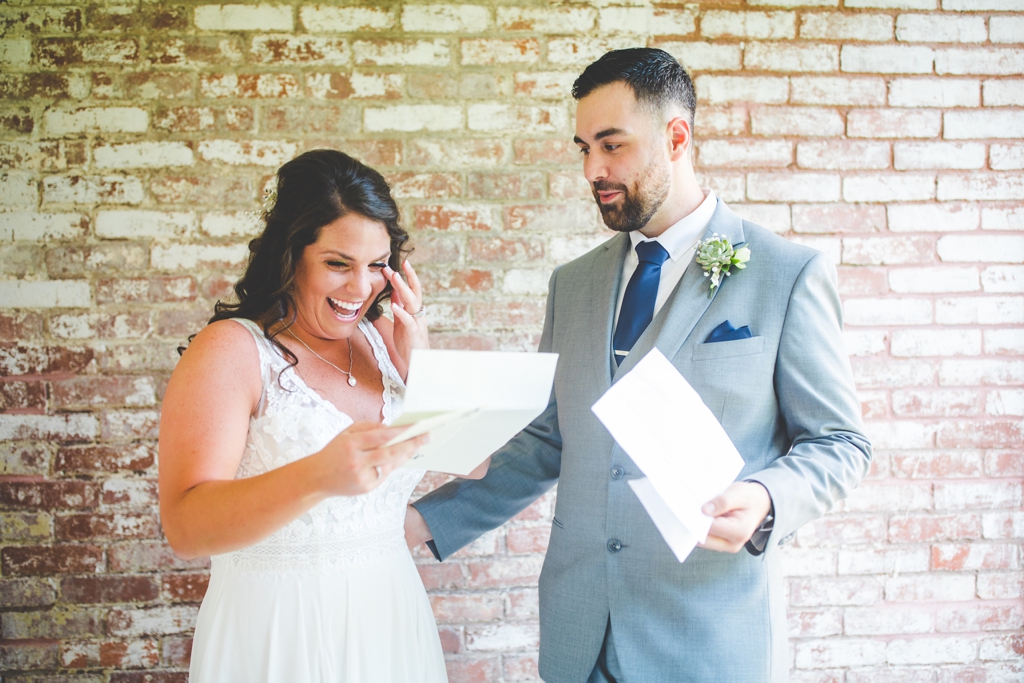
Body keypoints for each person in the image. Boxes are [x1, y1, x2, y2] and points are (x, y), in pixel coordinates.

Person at [405, 48, 872, 682]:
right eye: (583, 148)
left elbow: (841, 443)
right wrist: (420, 522)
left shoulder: (786, 275)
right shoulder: (573, 284)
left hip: (704, 636)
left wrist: (766, 496)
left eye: (612, 145)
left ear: (677, 137)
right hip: (580, 636)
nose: (593, 168)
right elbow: (551, 438)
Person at [158, 149, 449, 682]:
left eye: (378, 265)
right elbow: (185, 529)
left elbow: (477, 463)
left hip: (391, 622)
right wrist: (319, 476)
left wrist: (424, 362)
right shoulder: (230, 352)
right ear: (291, 255)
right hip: (277, 632)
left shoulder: (388, 340)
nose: (361, 289)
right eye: (338, 264)